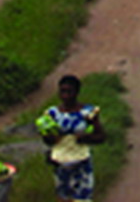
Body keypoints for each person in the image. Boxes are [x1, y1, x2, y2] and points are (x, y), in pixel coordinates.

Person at [40, 74, 107, 202]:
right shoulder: (52, 114)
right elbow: (46, 140)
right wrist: (51, 138)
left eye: (69, 92)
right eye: (62, 91)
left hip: (81, 163)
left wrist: (86, 137)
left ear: (77, 92)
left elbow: (101, 137)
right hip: (60, 164)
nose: (65, 96)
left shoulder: (88, 113)